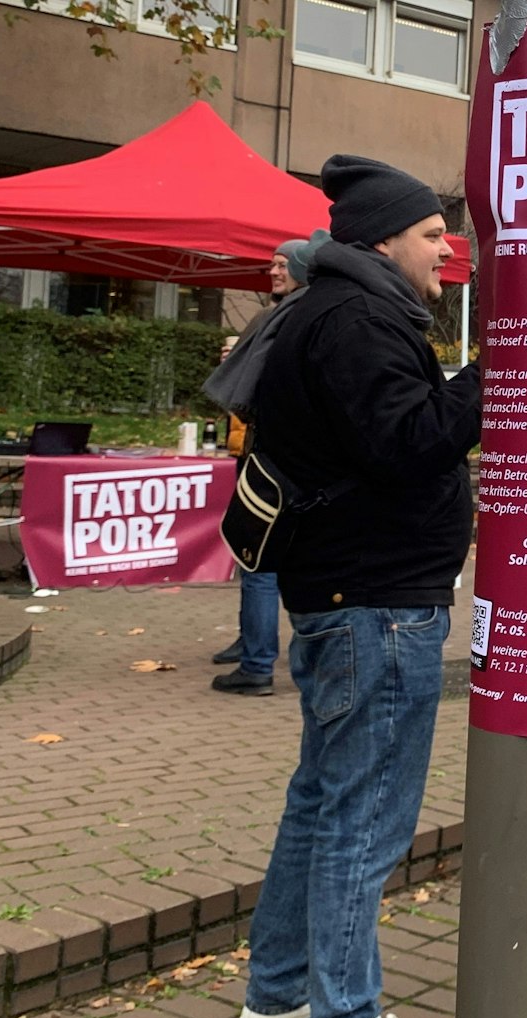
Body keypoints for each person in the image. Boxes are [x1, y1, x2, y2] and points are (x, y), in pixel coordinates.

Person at [234, 154, 480, 1018]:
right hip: (376, 602)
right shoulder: (359, 318)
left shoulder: (330, 308)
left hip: (348, 598)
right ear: (383, 240)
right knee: (364, 815)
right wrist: (494, 375)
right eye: (429, 234)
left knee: (323, 797)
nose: (445, 247)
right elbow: (407, 441)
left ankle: (280, 989)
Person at [209, 237, 316, 697]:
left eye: (281, 265)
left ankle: (257, 663)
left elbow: (252, 393)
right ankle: (254, 641)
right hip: (285, 458)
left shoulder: (279, 319)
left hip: (267, 460)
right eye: (270, 265)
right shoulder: (309, 314)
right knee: (266, 559)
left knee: (258, 560)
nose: (273, 272)